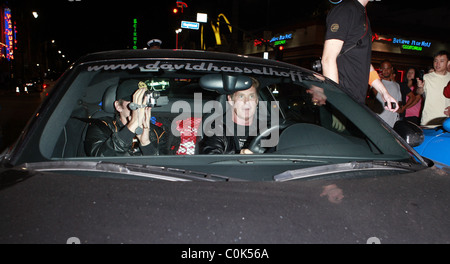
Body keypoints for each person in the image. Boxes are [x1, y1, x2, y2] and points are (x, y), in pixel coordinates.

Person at [321, 0, 399, 112]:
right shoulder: (345, 10)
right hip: (343, 102)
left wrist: (384, 93)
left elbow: (365, 65)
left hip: (355, 102)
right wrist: (336, 104)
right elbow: (328, 59)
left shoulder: (363, 15)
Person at [84, 79, 172, 156]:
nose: (139, 106)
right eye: (133, 102)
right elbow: (99, 158)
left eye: (142, 101)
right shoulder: (102, 126)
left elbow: (162, 169)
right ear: (118, 106)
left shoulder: (157, 133)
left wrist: (146, 143)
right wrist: (131, 127)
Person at [199, 78, 263, 155]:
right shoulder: (217, 129)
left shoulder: (267, 129)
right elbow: (211, 159)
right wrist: (239, 157)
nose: (247, 102)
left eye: (251, 96)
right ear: (230, 100)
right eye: (241, 96)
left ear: (257, 100)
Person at [416, 50, 450, 126]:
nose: (437, 64)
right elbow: (419, 92)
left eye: (442, 61)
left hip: (447, 122)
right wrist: (420, 87)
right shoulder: (427, 77)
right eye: (435, 61)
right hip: (429, 121)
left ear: (448, 63)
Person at [371, 60, 402, 127]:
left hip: (393, 121)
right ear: (380, 69)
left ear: (391, 69)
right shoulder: (377, 83)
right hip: (380, 120)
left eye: (388, 68)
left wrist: (399, 108)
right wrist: (379, 79)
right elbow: (374, 94)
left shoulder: (397, 85)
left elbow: (399, 100)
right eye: (384, 68)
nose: (386, 71)